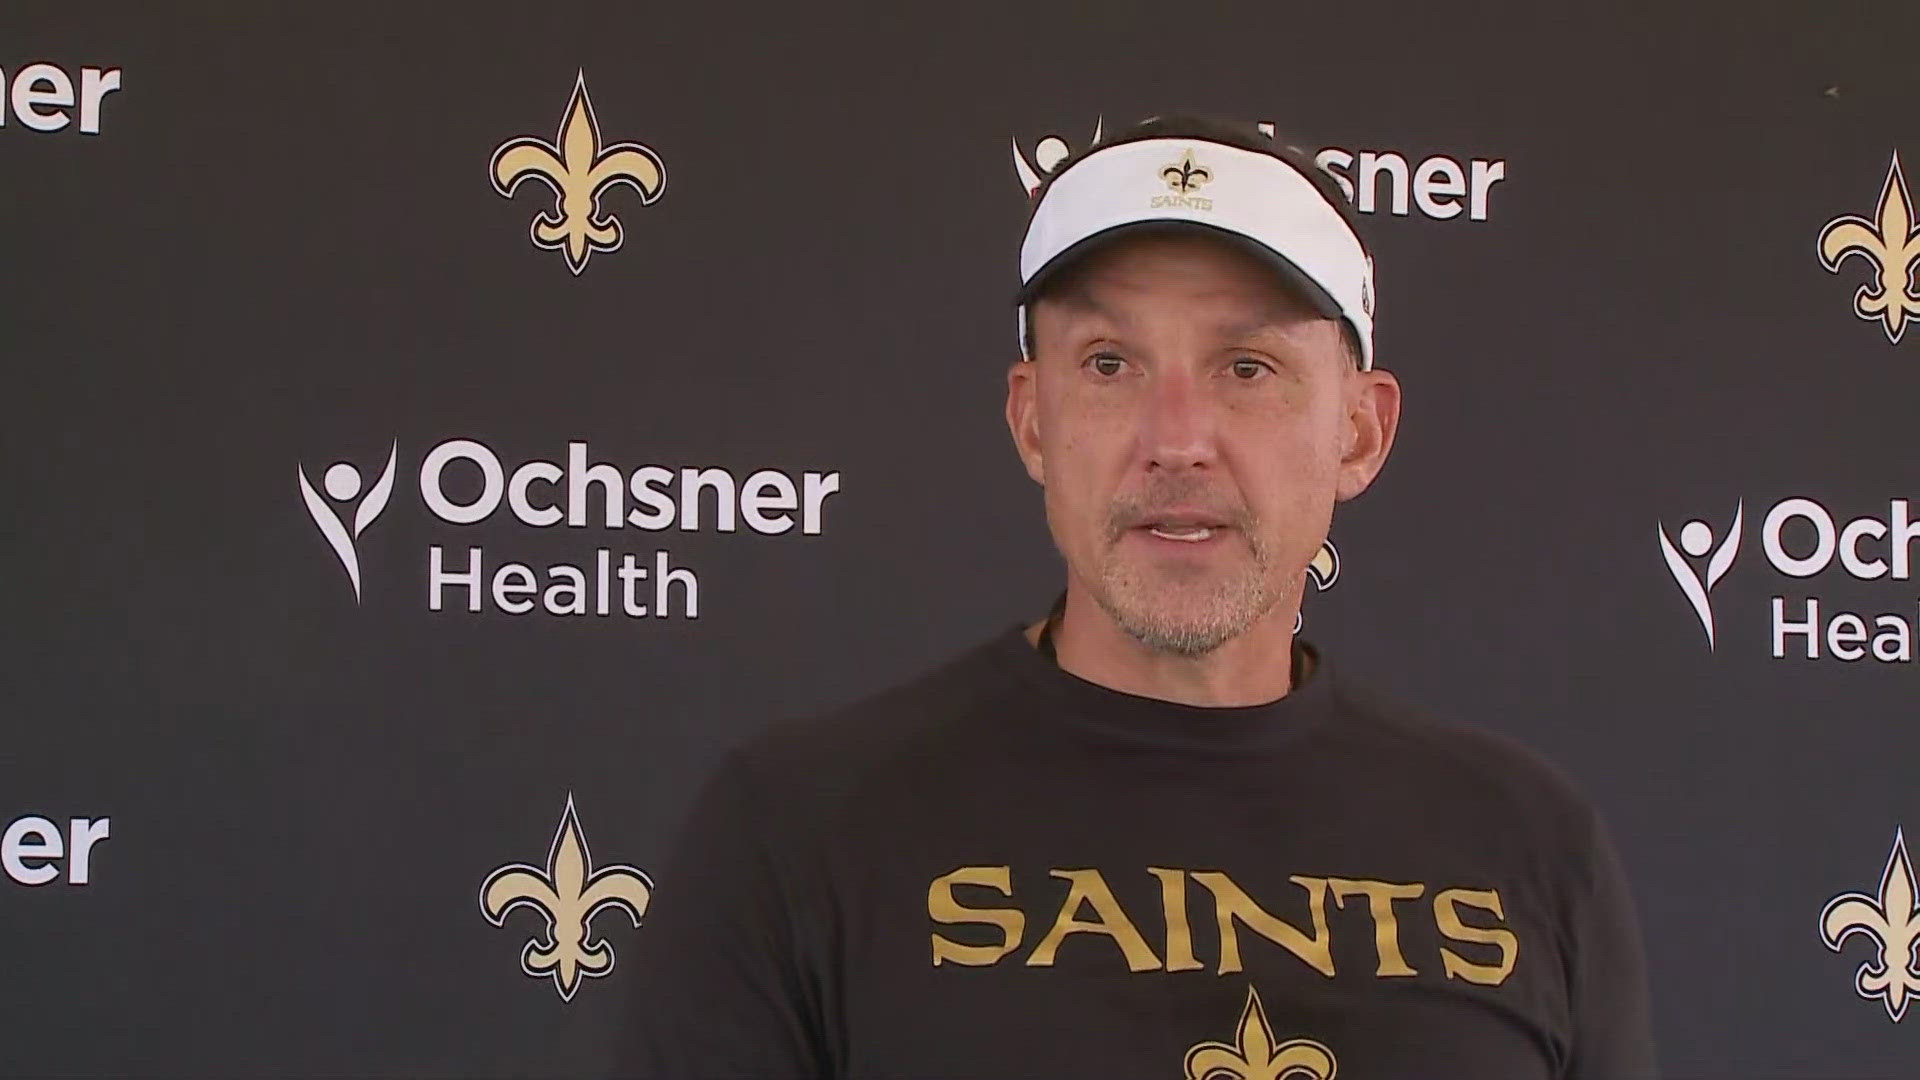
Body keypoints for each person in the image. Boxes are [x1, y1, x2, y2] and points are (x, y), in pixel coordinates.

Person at [616, 114, 1657, 1079]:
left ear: (1359, 431)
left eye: (1247, 368)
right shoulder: (800, 827)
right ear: (1032, 419)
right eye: (1109, 363)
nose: (1174, 439)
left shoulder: (1529, 845)